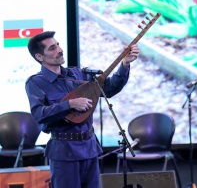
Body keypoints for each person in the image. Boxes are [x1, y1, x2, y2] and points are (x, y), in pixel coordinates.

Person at [25, 31, 140, 188]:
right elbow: (39, 114)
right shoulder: (36, 82)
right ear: (40, 57)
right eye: (52, 48)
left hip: (90, 148)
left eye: (58, 45)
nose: (59, 49)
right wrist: (69, 104)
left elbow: (110, 89)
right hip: (64, 151)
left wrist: (125, 64)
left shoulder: (78, 73)